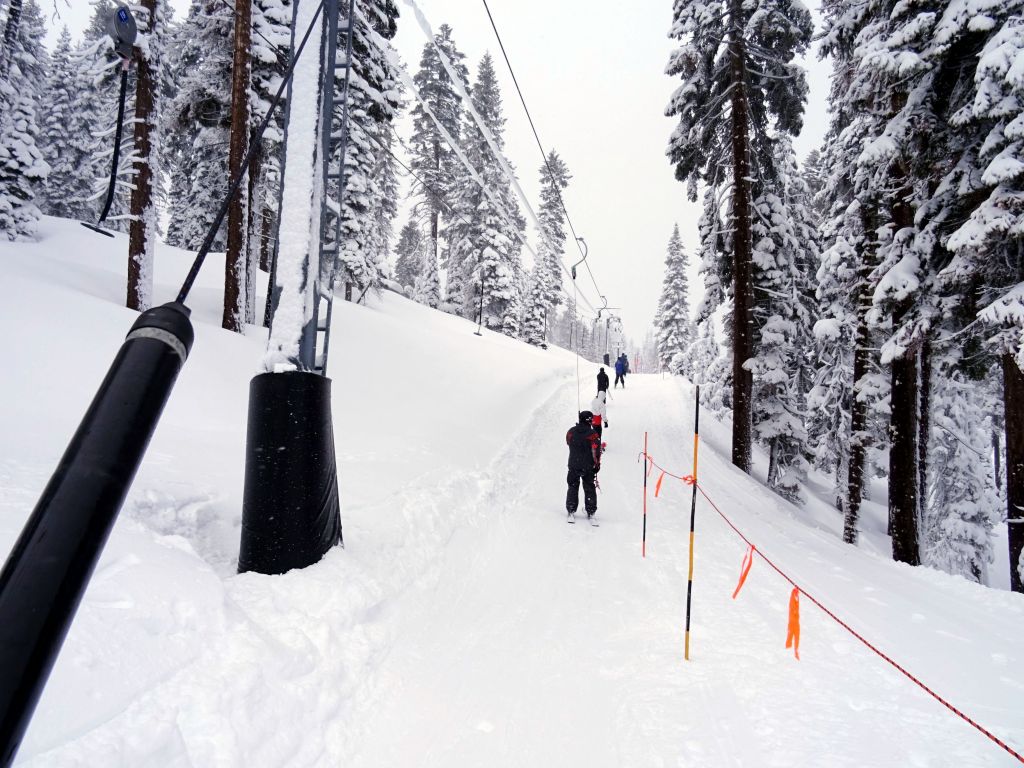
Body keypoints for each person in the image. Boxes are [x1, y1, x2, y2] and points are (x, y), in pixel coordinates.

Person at [565, 410, 601, 520]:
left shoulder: (571, 431)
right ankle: (590, 510)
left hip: (573, 464)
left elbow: (568, 441)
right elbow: (596, 450)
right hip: (588, 466)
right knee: (589, 487)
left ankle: (571, 508)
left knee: (572, 486)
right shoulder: (593, 434)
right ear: (589, 421)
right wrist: (597, 464)